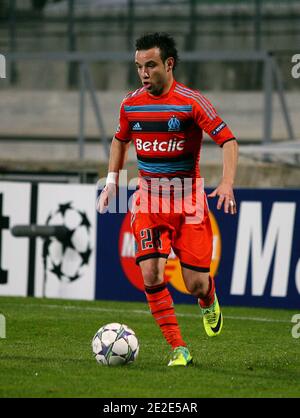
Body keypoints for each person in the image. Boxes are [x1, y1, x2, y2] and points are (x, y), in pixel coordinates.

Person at [97, 32, 238, 367]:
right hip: (149, 202)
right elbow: (120, 140)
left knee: (195, 284)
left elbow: (228, 141)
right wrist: (113, 181)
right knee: (151, 274)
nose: (143, 73)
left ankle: (209, 298)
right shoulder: (130, 104)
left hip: (188, 204)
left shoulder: (191, 103)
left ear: (169, 64)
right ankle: (179, 348)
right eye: (138, 66)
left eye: (150, 65)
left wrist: (227, 183)